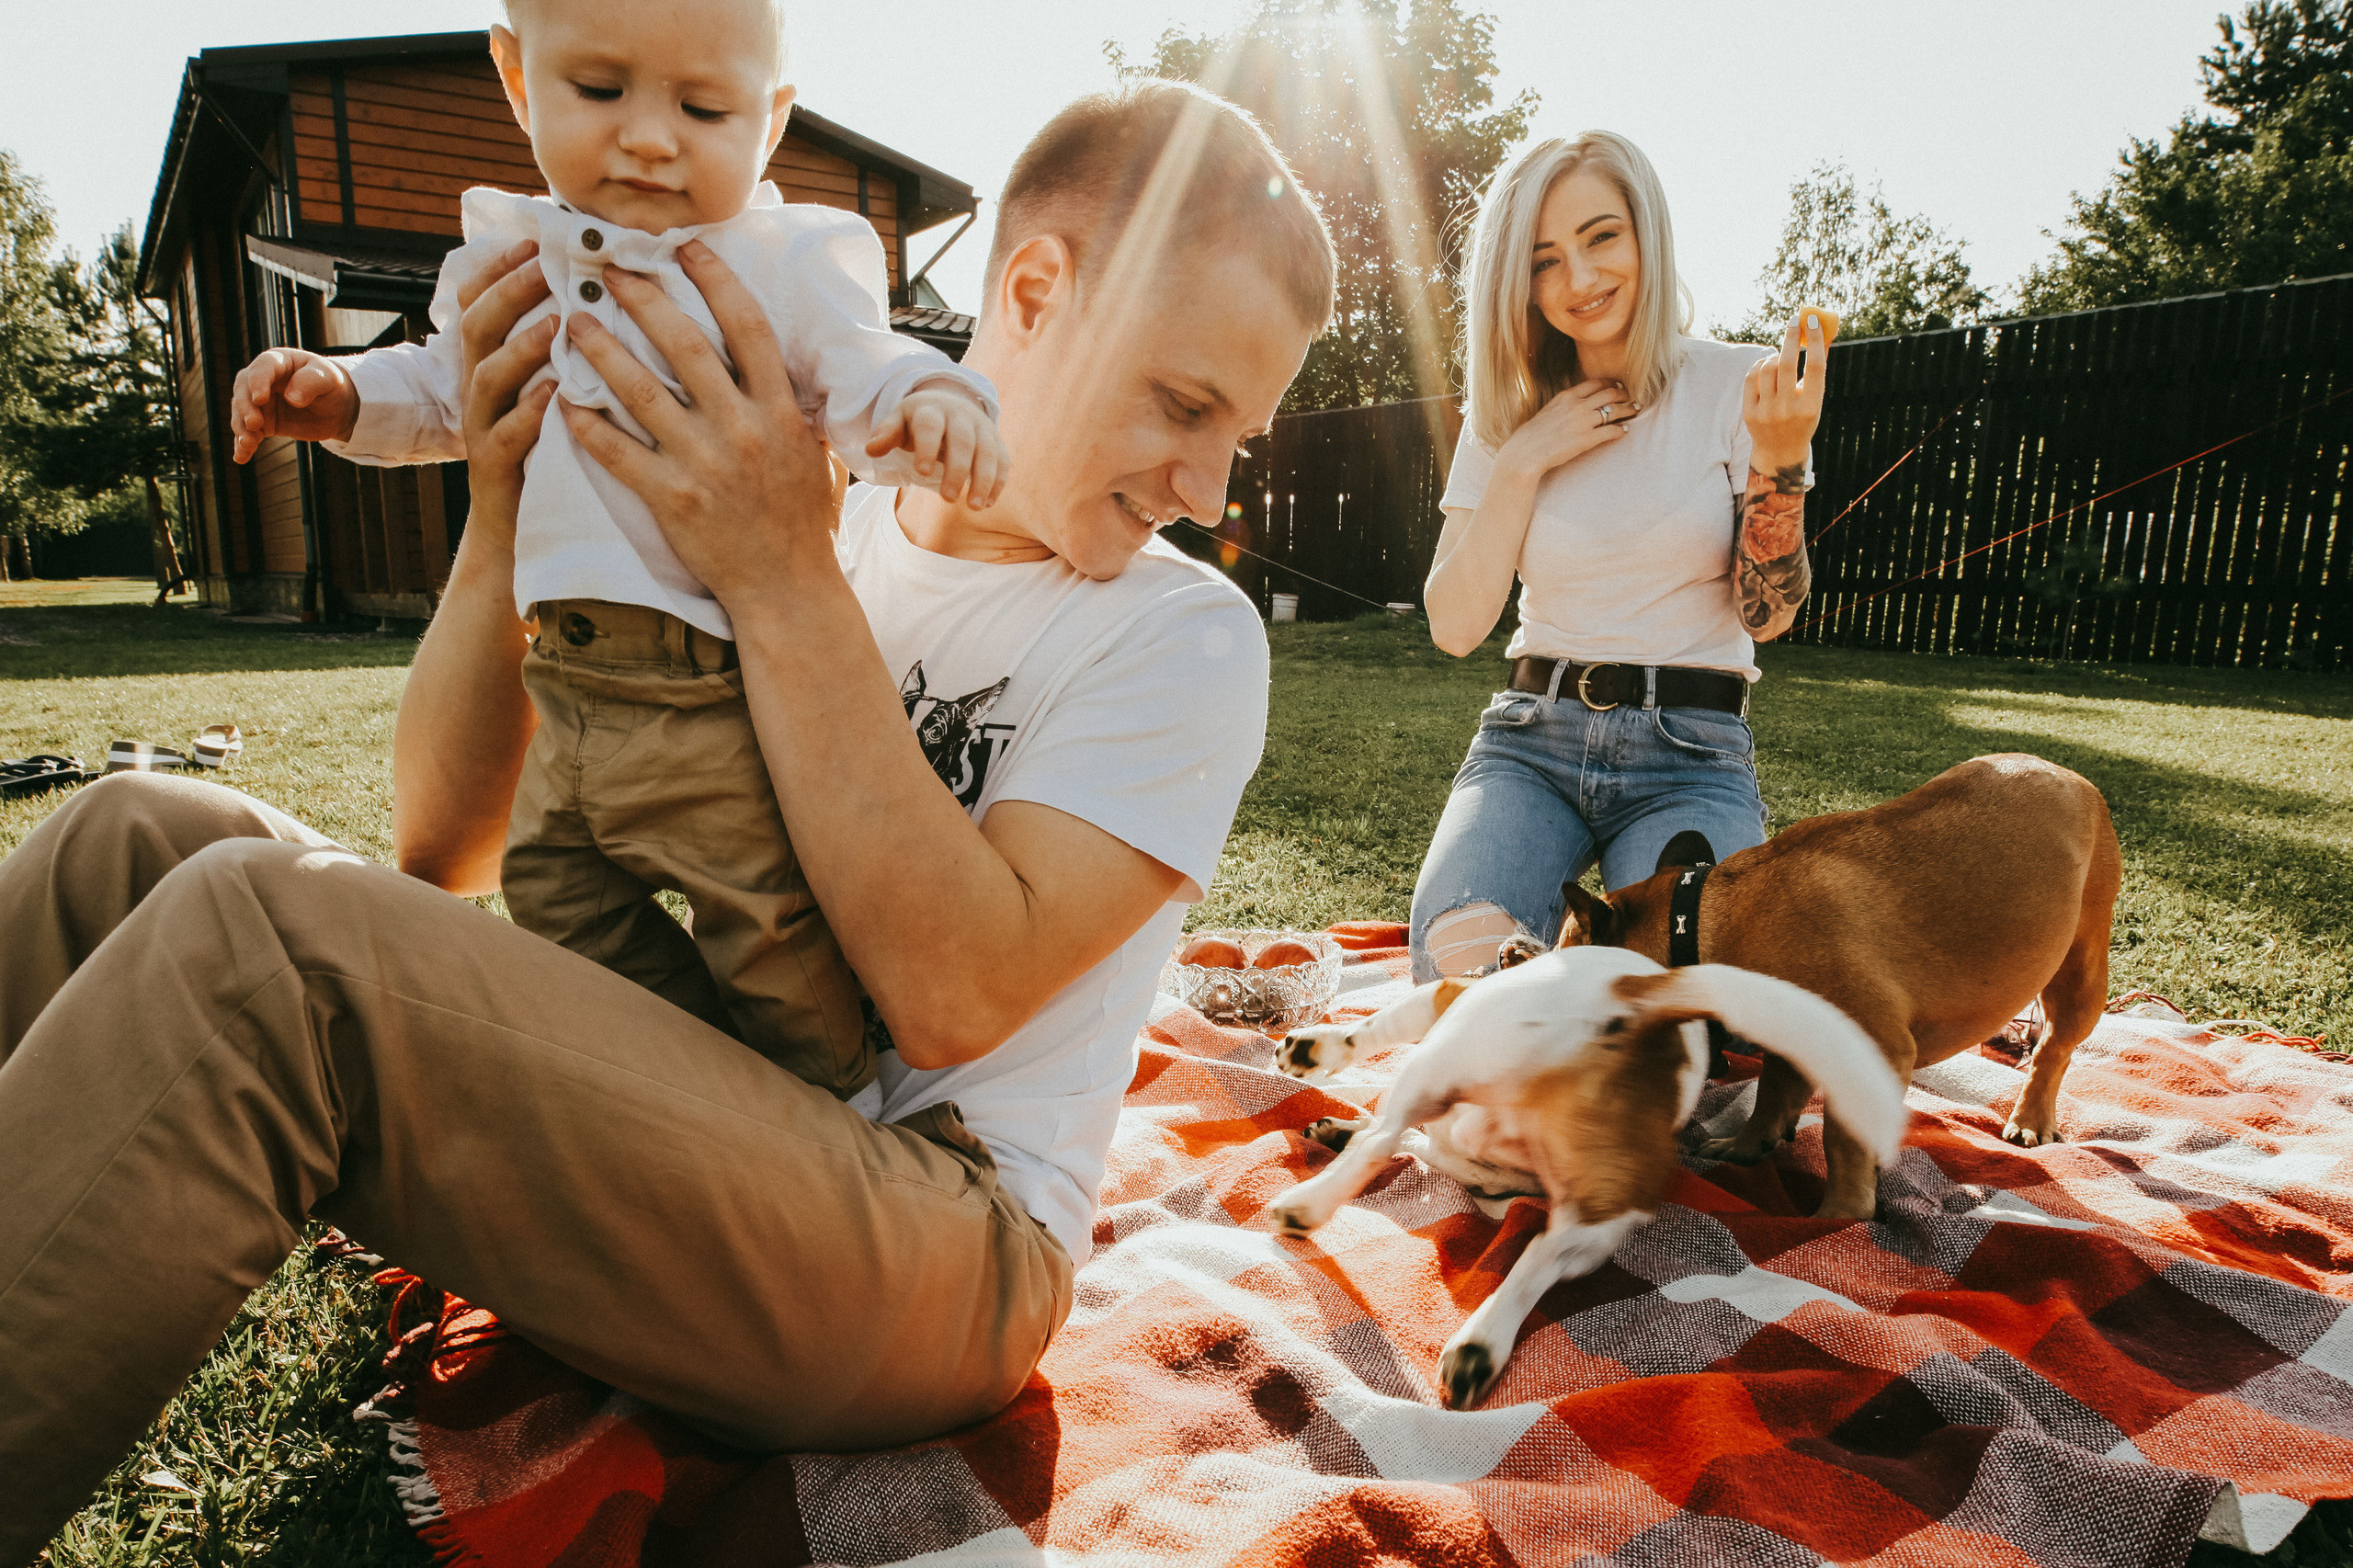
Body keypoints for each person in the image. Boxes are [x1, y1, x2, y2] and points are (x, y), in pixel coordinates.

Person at [0, 80, 1335, 1561]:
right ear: (1033, 289)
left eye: (1241, 434)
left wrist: (774, 575)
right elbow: (450, 852)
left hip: (938, 1240)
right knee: (134, 834)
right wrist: (507, 511)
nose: (1209, 486)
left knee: (274, 950)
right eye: (1186, 403)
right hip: (720, 1079)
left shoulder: (1178, 634)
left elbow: (952, 995)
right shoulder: (789, 492)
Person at [224, 0, 1010, 1099]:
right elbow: (445, 387)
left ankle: (836, 1108)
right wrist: (345, 391)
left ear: (773, 120)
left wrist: (935, 401)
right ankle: (699, 1076)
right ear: (515, 76)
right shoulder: (511, 254)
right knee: (552, 892)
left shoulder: (783, 259)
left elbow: (864, 367)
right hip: (562, 681)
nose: (650, 136)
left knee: (758, 914)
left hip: (701, 691)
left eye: (704, 107)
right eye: (600, 91)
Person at [1409, 130, 1830, 982]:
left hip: (1690, 752)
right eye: (1544, 260)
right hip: (1532, 742)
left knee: (1696, 1011)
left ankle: (1586, 966)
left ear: (1646, 231)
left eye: (1602, 237)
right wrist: (1526, 457)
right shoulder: (1506, 418)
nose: (1581, 279)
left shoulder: (1733, 385)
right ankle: (1570, 972)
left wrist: (1782, 456)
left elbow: (1769, 615)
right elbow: (1455, 626)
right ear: (1517, 284)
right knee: (1460, 972)